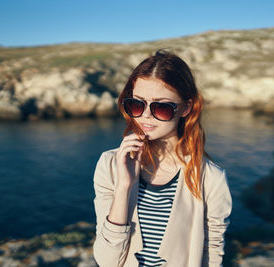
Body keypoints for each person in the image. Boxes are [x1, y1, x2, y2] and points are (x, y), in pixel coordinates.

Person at [93, 50, 232, 267]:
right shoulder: (110, 164)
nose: (146, 115)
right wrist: (123, 187)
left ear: (186, 107)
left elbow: (212, 255)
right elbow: (106, 261)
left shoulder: (210, 178)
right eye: (137, 104)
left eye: (161, 107)